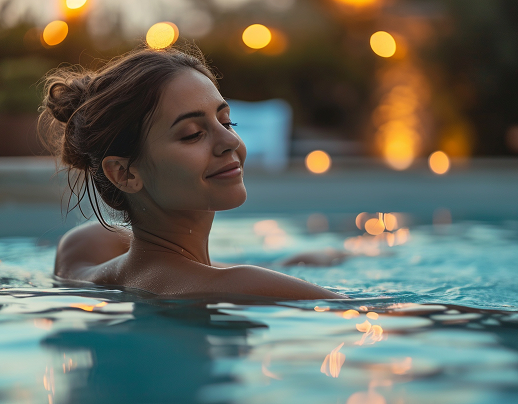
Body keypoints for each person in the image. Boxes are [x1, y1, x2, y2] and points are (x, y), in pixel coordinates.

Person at [39, 46, 347, 299]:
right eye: (191, 134)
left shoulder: (83, 248)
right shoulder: (241, 287)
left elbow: (177, 266)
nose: (230, 141)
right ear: (124, 174)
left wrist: (288, 264)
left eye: (226, 122)